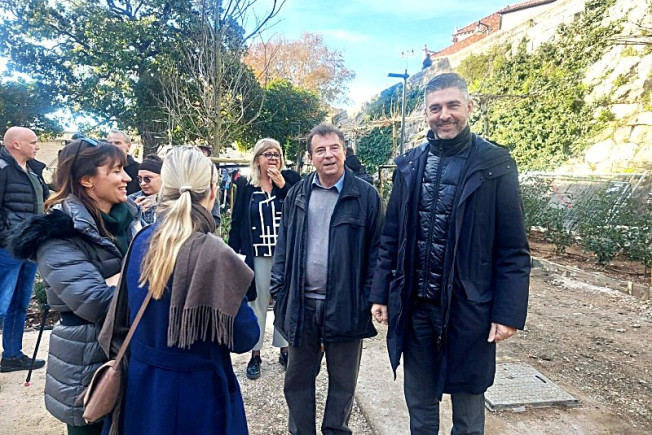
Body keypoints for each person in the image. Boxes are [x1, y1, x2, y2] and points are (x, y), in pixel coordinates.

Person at [369, 72, 530, 434]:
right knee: (420, 407)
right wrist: (381, 293)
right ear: (426, 113)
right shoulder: (410, 165)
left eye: (452, 105)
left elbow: (513, 248)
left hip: (469, 309)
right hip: (416, 309)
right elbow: (391, 237)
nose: (444, 115)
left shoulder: (494, 165)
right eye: (435, 108)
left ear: (469, 107)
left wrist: (507, 313)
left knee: (468, 412)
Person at [100, 146, 259, 435]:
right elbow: (245, 337)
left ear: (165, 190)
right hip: (199, 396)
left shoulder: (141, 241)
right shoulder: (215, 254)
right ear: (212, 192)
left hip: (143, 388)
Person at [10, 139, 140, 435]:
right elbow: (96, 302)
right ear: (86, 180)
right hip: (88, 364)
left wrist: (120, 279)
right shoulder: (56, 234)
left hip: (134, 354)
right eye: (116, 170)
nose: (127, 178)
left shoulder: (131, 219)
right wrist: (139, 276)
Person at [270, 124, 383, 434]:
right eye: (320, 150)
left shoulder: (366, 197)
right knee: (296, 380)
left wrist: (368, 297)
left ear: (344, 151)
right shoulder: (297, 194)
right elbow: (284, 244)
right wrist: (280, 290)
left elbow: (377, 252)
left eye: (334, 148)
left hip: (346, 304)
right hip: (302, 303)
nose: (328, 155)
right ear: (310, 157)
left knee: (343, 383)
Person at [228, 138, 301, 380]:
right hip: (257, 254)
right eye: (267, 154)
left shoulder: (291, 180)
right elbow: (237, 221)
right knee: (256, 303)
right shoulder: (246, 185)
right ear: (257, 159)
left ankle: (284, 349)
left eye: (276, 154)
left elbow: (302, 209)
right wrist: (233, 254)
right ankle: (255, 353)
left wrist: (283, 186)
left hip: (284, 255)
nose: (272, 158)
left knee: (283, 302)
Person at [0, 127, 49, 373]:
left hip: (30, 248)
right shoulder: (2, 169)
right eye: (33, 142)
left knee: (19, 304)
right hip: (7, 250)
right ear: (16, 144)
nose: (37, 146)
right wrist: (8, 238)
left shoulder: (33, 171)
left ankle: (12, 356)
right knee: (1, 305)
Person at [128, 154, 163, 225]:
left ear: (162, 177)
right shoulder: (131, 200)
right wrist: (133, 213)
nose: (142, 183)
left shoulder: (175, 200)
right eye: (140, 179)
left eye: (147, 179)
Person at [106, 130, 140, 195]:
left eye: (117, 143)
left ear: (128, 146)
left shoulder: (139, 170)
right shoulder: (101, 169)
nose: (113, 146)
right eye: (110, 143)